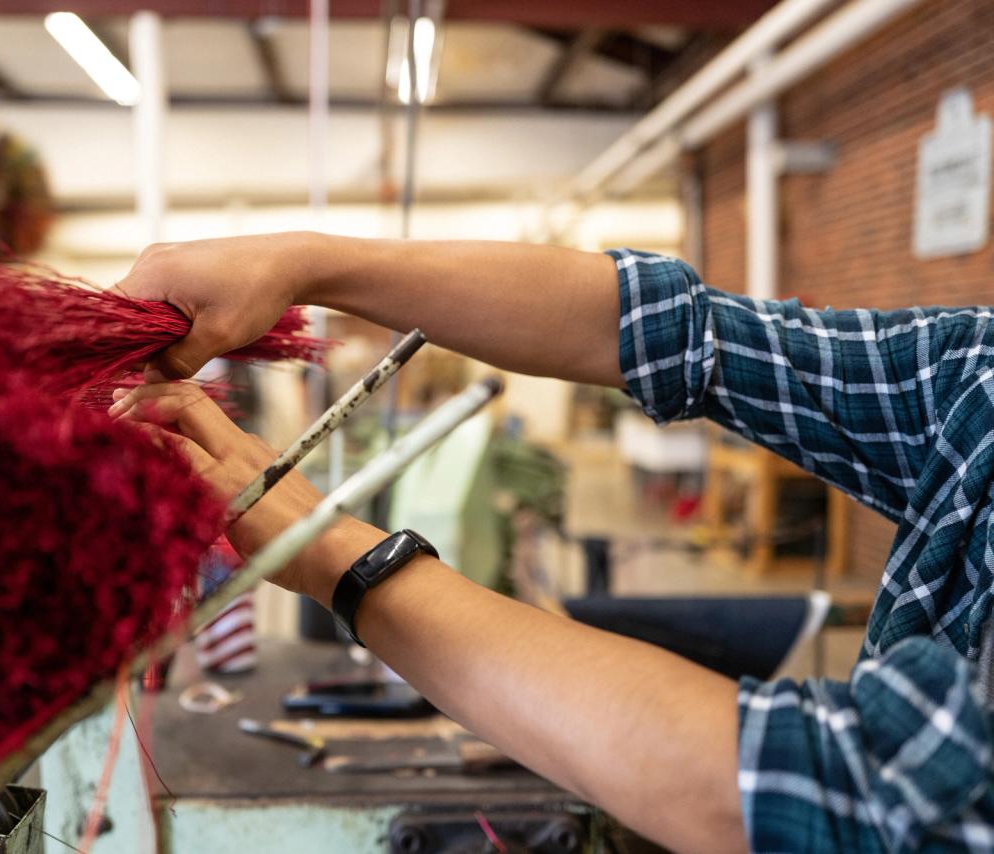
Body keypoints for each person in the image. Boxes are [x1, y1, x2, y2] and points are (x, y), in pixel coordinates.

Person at [108, 233, 994, 854]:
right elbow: (685, 332)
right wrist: (303, 262)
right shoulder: (978, 380)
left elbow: (835, 793)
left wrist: (332, 554)